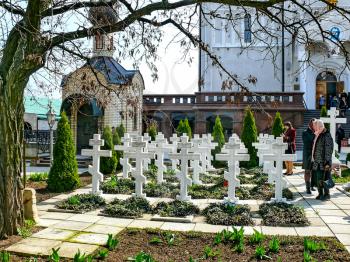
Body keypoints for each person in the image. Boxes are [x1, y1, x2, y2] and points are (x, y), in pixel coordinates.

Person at [311, 120, 333, 201]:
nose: (314, 127)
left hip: (323, 162)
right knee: (318, 178)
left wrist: (327, 162)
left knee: (325, 178)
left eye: (315, 125)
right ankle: (320, 193)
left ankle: (327, 194)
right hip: (317, 161)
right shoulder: (318, 134)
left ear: (319, 125)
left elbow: (328, 149)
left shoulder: (326, 135)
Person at [302, 118, 316, 194]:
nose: (314, 125)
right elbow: (307, 143)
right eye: (313, 124)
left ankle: (312, 186)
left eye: (315, 124)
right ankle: (308, 187)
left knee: (314, 171)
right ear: (309, 124)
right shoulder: (305, 132)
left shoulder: (317, 132)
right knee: (307, 171)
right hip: (308, 155)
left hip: (316, 155)